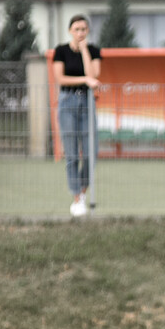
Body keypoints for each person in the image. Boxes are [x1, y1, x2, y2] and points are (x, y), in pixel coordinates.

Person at [52, 15, 101, 217]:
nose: (80, 33)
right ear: (70, 30)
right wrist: (84, 79)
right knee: (72, 153)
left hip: (87, 102)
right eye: (77, 29)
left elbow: (94, 75)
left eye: (83, 29)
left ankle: (82, 190)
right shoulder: (61, 51)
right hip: (68, 101)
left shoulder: (94, 51)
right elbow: (60, 78)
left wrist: (84, 52)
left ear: (87, 31)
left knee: (90, 152)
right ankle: (77, 198)